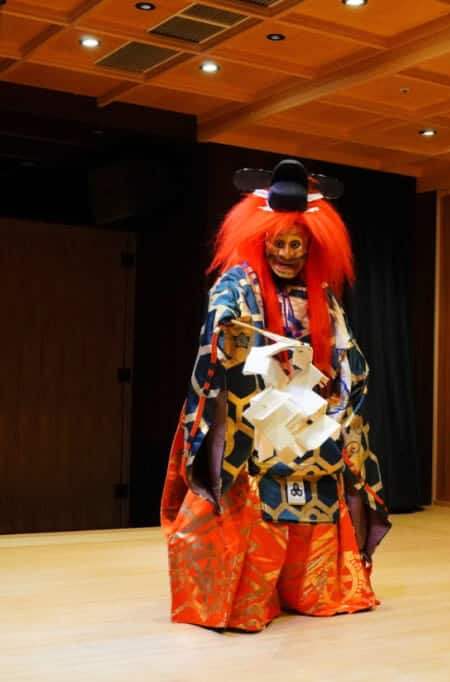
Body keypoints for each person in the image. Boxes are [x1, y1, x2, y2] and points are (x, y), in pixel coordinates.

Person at [159, 159, 389, 632]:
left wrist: (338, 389)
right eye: (279, 243)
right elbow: (219, 323)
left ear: (310, 248)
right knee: (243, 487)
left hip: (308, 415)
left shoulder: (321, 293)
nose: (287, 254)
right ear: (262, 241)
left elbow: (346, 351)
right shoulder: (238, 282)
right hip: (256, 413)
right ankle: (242, 598)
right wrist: (231, 334)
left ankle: (315, 587)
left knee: (328, 480)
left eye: (296, 246)